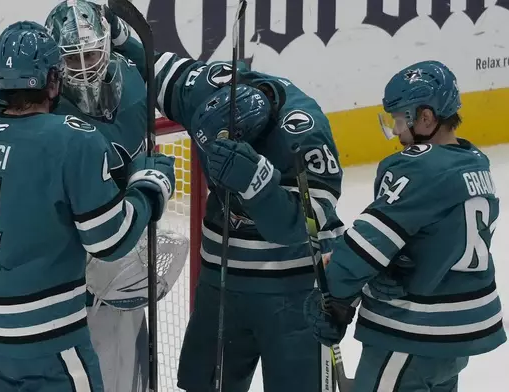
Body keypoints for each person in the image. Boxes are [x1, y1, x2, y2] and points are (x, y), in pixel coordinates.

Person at [0, 20, 175, 392]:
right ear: (53, 81)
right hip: (42, 331)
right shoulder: (73, 140)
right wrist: (150, 189)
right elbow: (109, 240)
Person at [113, 29, 346, 392]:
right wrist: (120, 38)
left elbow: (307, 224)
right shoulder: (207, 87)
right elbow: (160, 71)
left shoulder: (304, 132)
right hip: (219, 283)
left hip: (290, 292)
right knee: (201, 383)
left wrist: (258, 184)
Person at [303, 60, 506, 391]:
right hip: (457, 336)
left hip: (415, 330)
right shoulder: (476, 162)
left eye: (400, 119)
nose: (396, 131)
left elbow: (367, 247)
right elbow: (435, 241)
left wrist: (333, 295)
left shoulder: (417, 169)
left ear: (426, 118)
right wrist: (394, 268)